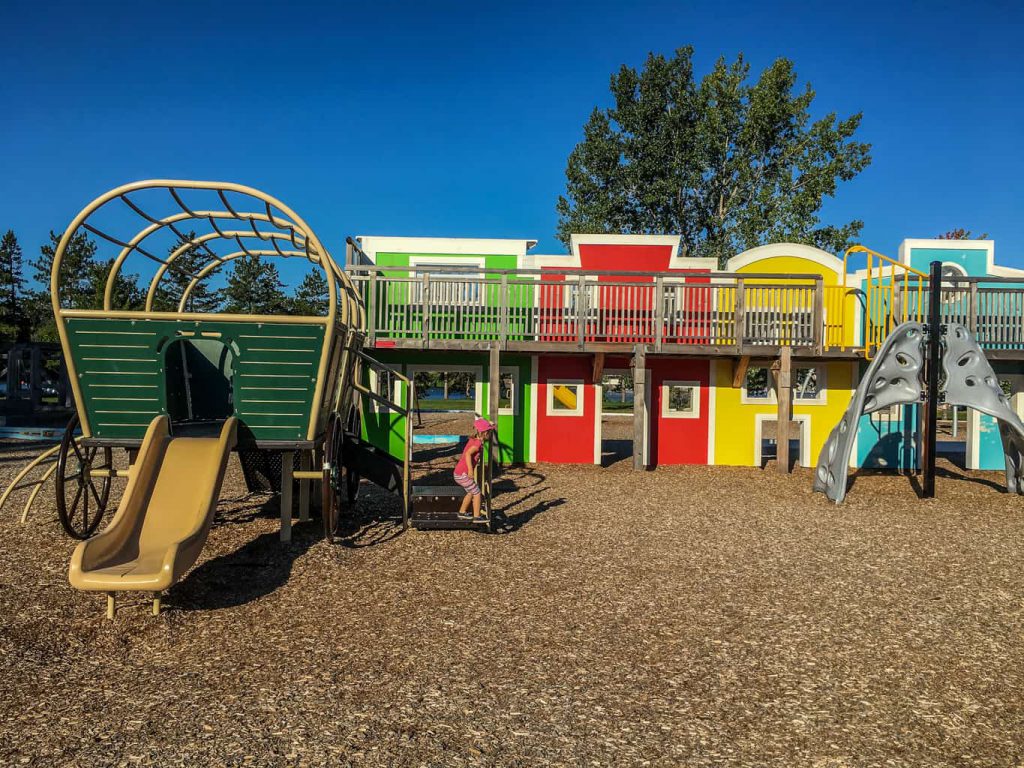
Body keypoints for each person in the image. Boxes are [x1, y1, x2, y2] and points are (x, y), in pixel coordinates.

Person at [454, 417, 494, 523]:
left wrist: (489, 424)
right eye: (489, 432)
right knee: (476, 493)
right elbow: (468, 454)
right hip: (463, 474)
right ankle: (477, 516)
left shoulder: (474, 439)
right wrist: (471, 470)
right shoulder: (477, 444)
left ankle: (462, 513)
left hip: (458, 473)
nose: (490, 435)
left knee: (470, 492)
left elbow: (481, 426)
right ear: (485, 433)